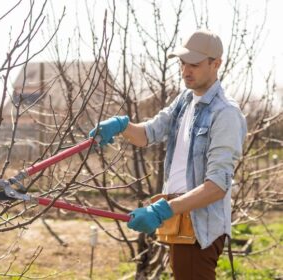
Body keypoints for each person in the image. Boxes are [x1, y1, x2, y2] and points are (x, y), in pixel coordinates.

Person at [89, 29, 246, 279]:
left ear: (216, 64)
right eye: (183, 63)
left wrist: (162, 210)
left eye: (194, 64)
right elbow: (147, 134)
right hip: (178, 221)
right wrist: (122, 126)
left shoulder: (225, 113)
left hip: (198, 227)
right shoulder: (185, 100)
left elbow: (217, 185)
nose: (185, 70)